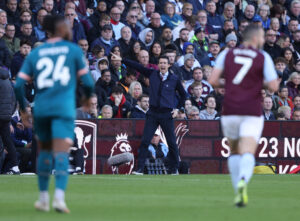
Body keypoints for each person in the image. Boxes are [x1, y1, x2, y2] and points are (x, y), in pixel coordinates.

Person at [14, 15, 94, 213]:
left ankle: (42, 199)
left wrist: (23, 110)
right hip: (63, 108)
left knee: (45, 150)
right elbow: (89, 82)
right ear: (59, 28)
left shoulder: (37, 52)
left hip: (42, 108)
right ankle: (59, 198)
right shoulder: (73, 50)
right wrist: (87, 99)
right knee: (61, 151)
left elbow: (18, 84)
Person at [209, 24, 279, 207]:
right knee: (248, 151)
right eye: (262, 37)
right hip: (251, 111)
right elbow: (273, 86)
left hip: (230, 109)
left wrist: (231, 83)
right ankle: (243, 182)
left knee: (234, 151)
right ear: (255, 39)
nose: (263, 40)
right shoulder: (263, 57)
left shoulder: (227, 54)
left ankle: (237, 189)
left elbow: (213, 80)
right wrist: (256, 83)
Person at [113, 53, 186, 175]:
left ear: (169, 65)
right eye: (160, 63)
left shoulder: (174, 79)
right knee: (145, 141)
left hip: (166, 113)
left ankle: (174, 168)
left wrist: (178, 109)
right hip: (152, 112)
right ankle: (140, 169)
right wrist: (122, 59)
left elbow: (183, 95)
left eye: (164, 63)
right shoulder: (153, 74)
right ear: (158, 65)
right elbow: (138, 66)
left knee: (172, 142)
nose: (162, 65)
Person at [0, 67, 20, 174]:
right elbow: (14, 100)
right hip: (6, 116)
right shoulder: (8, 82)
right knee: (8, 141)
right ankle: (16, 166)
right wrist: (10, 113)